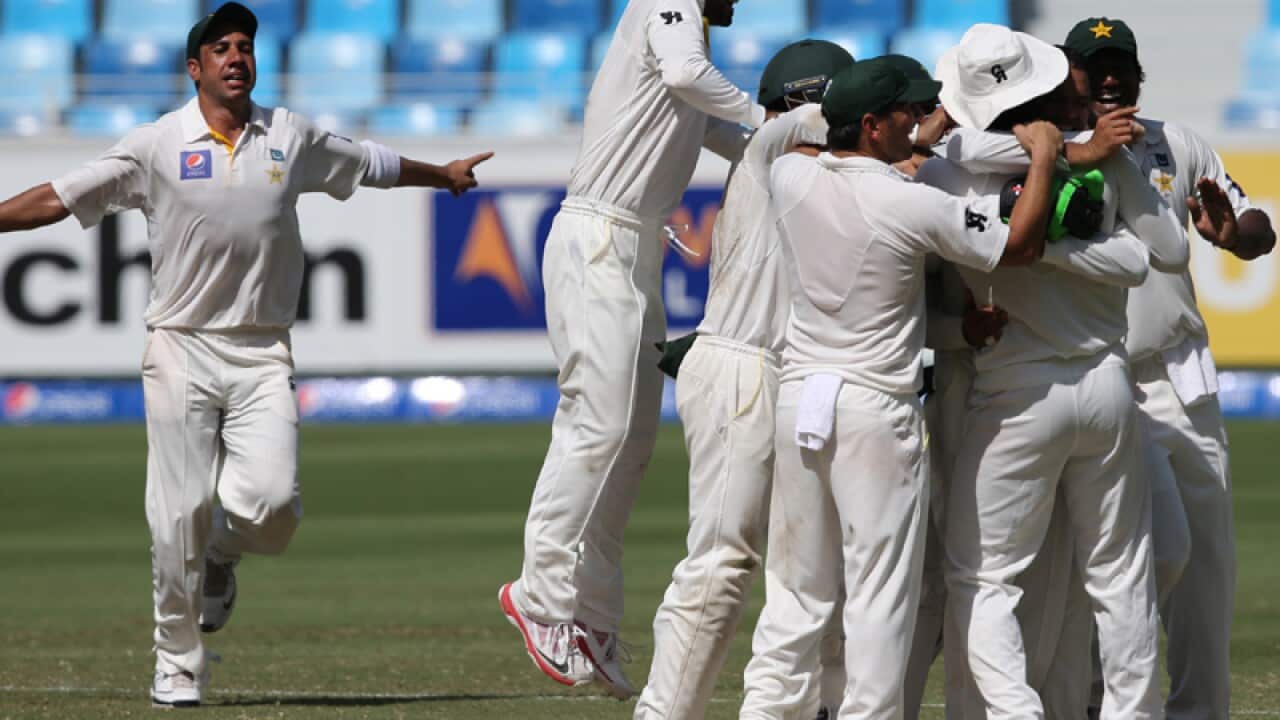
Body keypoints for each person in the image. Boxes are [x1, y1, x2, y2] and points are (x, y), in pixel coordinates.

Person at [0, 3, 492, 707]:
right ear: (194, 68)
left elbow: (367, 162)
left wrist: (439, 173)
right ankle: (177, 661)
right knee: (176, 514)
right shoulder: (157, 144)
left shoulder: (286, 135)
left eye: (246, 46)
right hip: (180, 345)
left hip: (262, 351)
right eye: (221, 47)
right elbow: (59, 197)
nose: (237, 56)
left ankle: (224, 552)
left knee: (273, 508)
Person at [759, 56, 1058, 720]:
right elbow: (1020, 244)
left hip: (801, 396)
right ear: (871, 125)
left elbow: (798, 136)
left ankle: (763, 711)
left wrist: (955, 331)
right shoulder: (913, 201)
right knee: (878, 594)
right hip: (873, 413)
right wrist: (1041, 158)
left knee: (796, 591)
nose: (924, 122)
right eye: (911, 113)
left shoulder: (788, 177)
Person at [497, 0, 767, 699]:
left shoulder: (682, 25)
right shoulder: (668, 2)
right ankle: (540, 594)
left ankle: (591, 615)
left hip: (638, 244)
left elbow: (698, 119)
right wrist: (772, 121)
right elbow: (687, 75)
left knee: (635, 433)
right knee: (599, 421)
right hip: (598, 236)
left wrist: (779, 149)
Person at [921, 23, 1187, 719]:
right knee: (1119, 576)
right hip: (1103, 386)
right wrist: (1084, 161)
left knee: (983, 578)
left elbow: (1154, 258)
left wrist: (1028, 242)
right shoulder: (1090, 157)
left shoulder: (956, 170)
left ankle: (1016, 711)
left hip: (1017, 392)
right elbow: (1153, 255)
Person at [1063, 17, 1276, 720]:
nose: (1112, 77)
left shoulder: (1175, 142)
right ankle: (1099, 700)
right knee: (1146, 559)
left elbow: (1256, 228)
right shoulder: (1051, 149)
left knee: (1207, 566)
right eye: (1097, 67)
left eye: (1121, 64)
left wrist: (1228, 236)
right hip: (1100, 378)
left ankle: (1200, 710)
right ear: (1072, 74)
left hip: (1182, 377)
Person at [635, 39, 854, 720]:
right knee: (724, 559)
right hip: (743, 367)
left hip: (795, 378)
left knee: (816, 569)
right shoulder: (771, 148)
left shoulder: (837, 174)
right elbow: (807, 125)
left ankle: (803, 708)